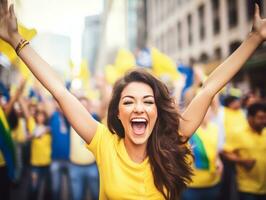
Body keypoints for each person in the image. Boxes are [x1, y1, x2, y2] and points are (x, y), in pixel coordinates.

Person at [1, 1, 266, 199]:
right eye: (128, 102)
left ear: (157, 111)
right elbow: (60, 91)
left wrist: (254, 38)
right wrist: (17, 40)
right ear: (117, 113)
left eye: (147, 101)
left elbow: (208, 89)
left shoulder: (174, 138)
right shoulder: (103, 142)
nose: (139, 107)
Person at [222, 102, 266, 200]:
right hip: (247, 188)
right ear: (250, 117)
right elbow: (225, 153)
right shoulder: (238, 133)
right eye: (260, 118)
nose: (264, 121)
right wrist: (242, 161)